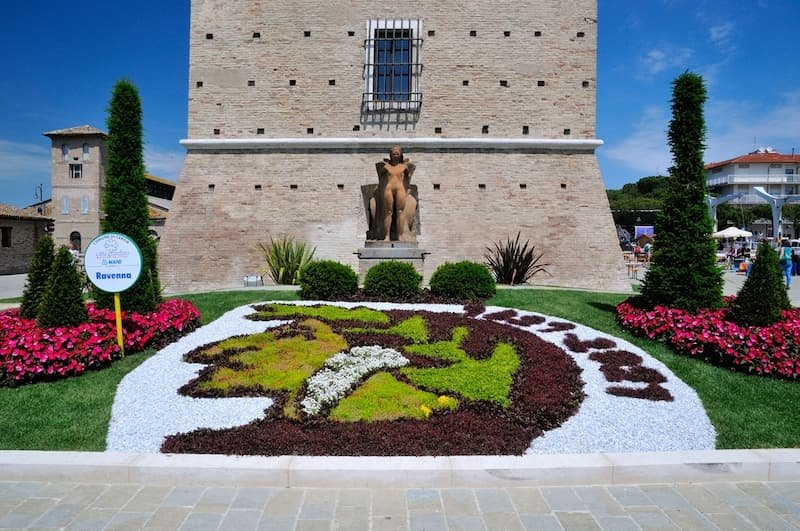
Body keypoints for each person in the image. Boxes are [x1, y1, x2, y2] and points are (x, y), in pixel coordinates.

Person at [369, 145, 417, 242]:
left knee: (400, 212)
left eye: (398, 151)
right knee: (388, 212)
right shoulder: (386, 166)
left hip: (400, 189)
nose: (395, 152)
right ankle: (386, 236)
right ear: (390, 154)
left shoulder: (404, 167)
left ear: (401, 154)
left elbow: (408, 179)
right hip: (388, 189)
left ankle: (400, 235)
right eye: (393, 151)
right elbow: (380, 178)